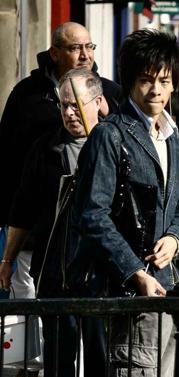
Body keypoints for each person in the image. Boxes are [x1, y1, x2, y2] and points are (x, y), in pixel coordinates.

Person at [72, 29, 179, 377]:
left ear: (174, 85)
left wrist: (174, 239)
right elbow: (92, 214)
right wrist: (135, 271)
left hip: (168, 286)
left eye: (164, 81)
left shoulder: (171, 134)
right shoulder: (109, 134)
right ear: (129, 82)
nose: (155, 90)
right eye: (146, 80)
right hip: (126, 291)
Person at [0, 21, 121, 303]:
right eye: (75, 48)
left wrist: (108, 113)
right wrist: (9, 245)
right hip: (39, 233)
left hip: (97, 246)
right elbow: (7, 160)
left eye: (89, 47)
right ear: (54, 53)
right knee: (34, 307)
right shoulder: (28, 95)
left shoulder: (111, 94)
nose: (85, 55)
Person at [0, 68, 107, 377]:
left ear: (98, 102)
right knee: (59, 351)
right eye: (64, 105)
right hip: (55, 268)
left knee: (101, 352)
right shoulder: (45, 148)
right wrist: (8, 259)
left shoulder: (113, 145)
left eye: (77, 105)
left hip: (100, 274)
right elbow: (23, 208)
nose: (70, 113)